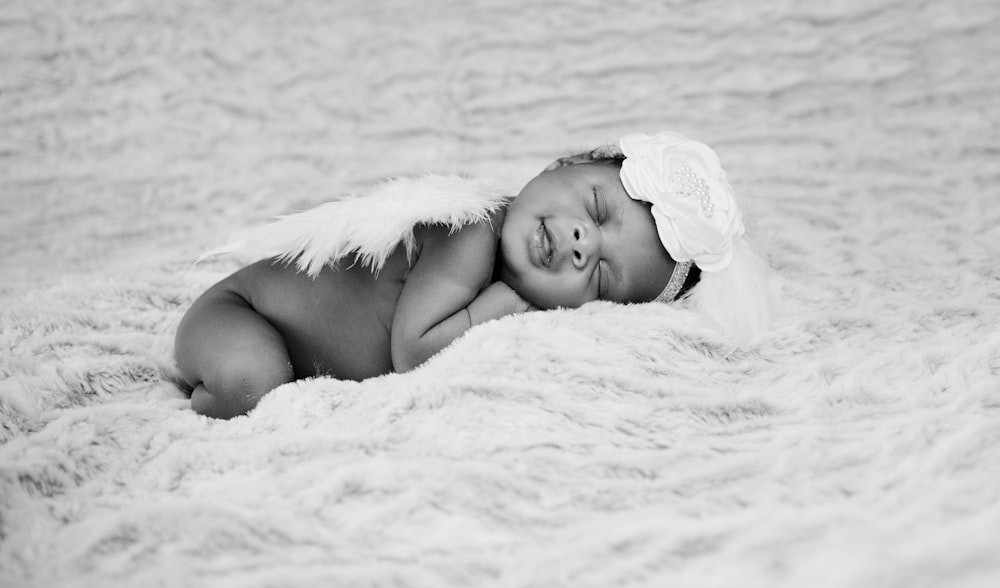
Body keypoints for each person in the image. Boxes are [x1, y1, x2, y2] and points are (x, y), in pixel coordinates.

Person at [175, 131, 774, 419]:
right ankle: (189, 398)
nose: (577, 245)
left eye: (599, 278)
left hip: (277, 341)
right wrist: (512, 300)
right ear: (562, 163)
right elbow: (413, 352)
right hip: (240, 316)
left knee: (267, 381)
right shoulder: (473, 232)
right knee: (253, 383)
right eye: (593, 212)